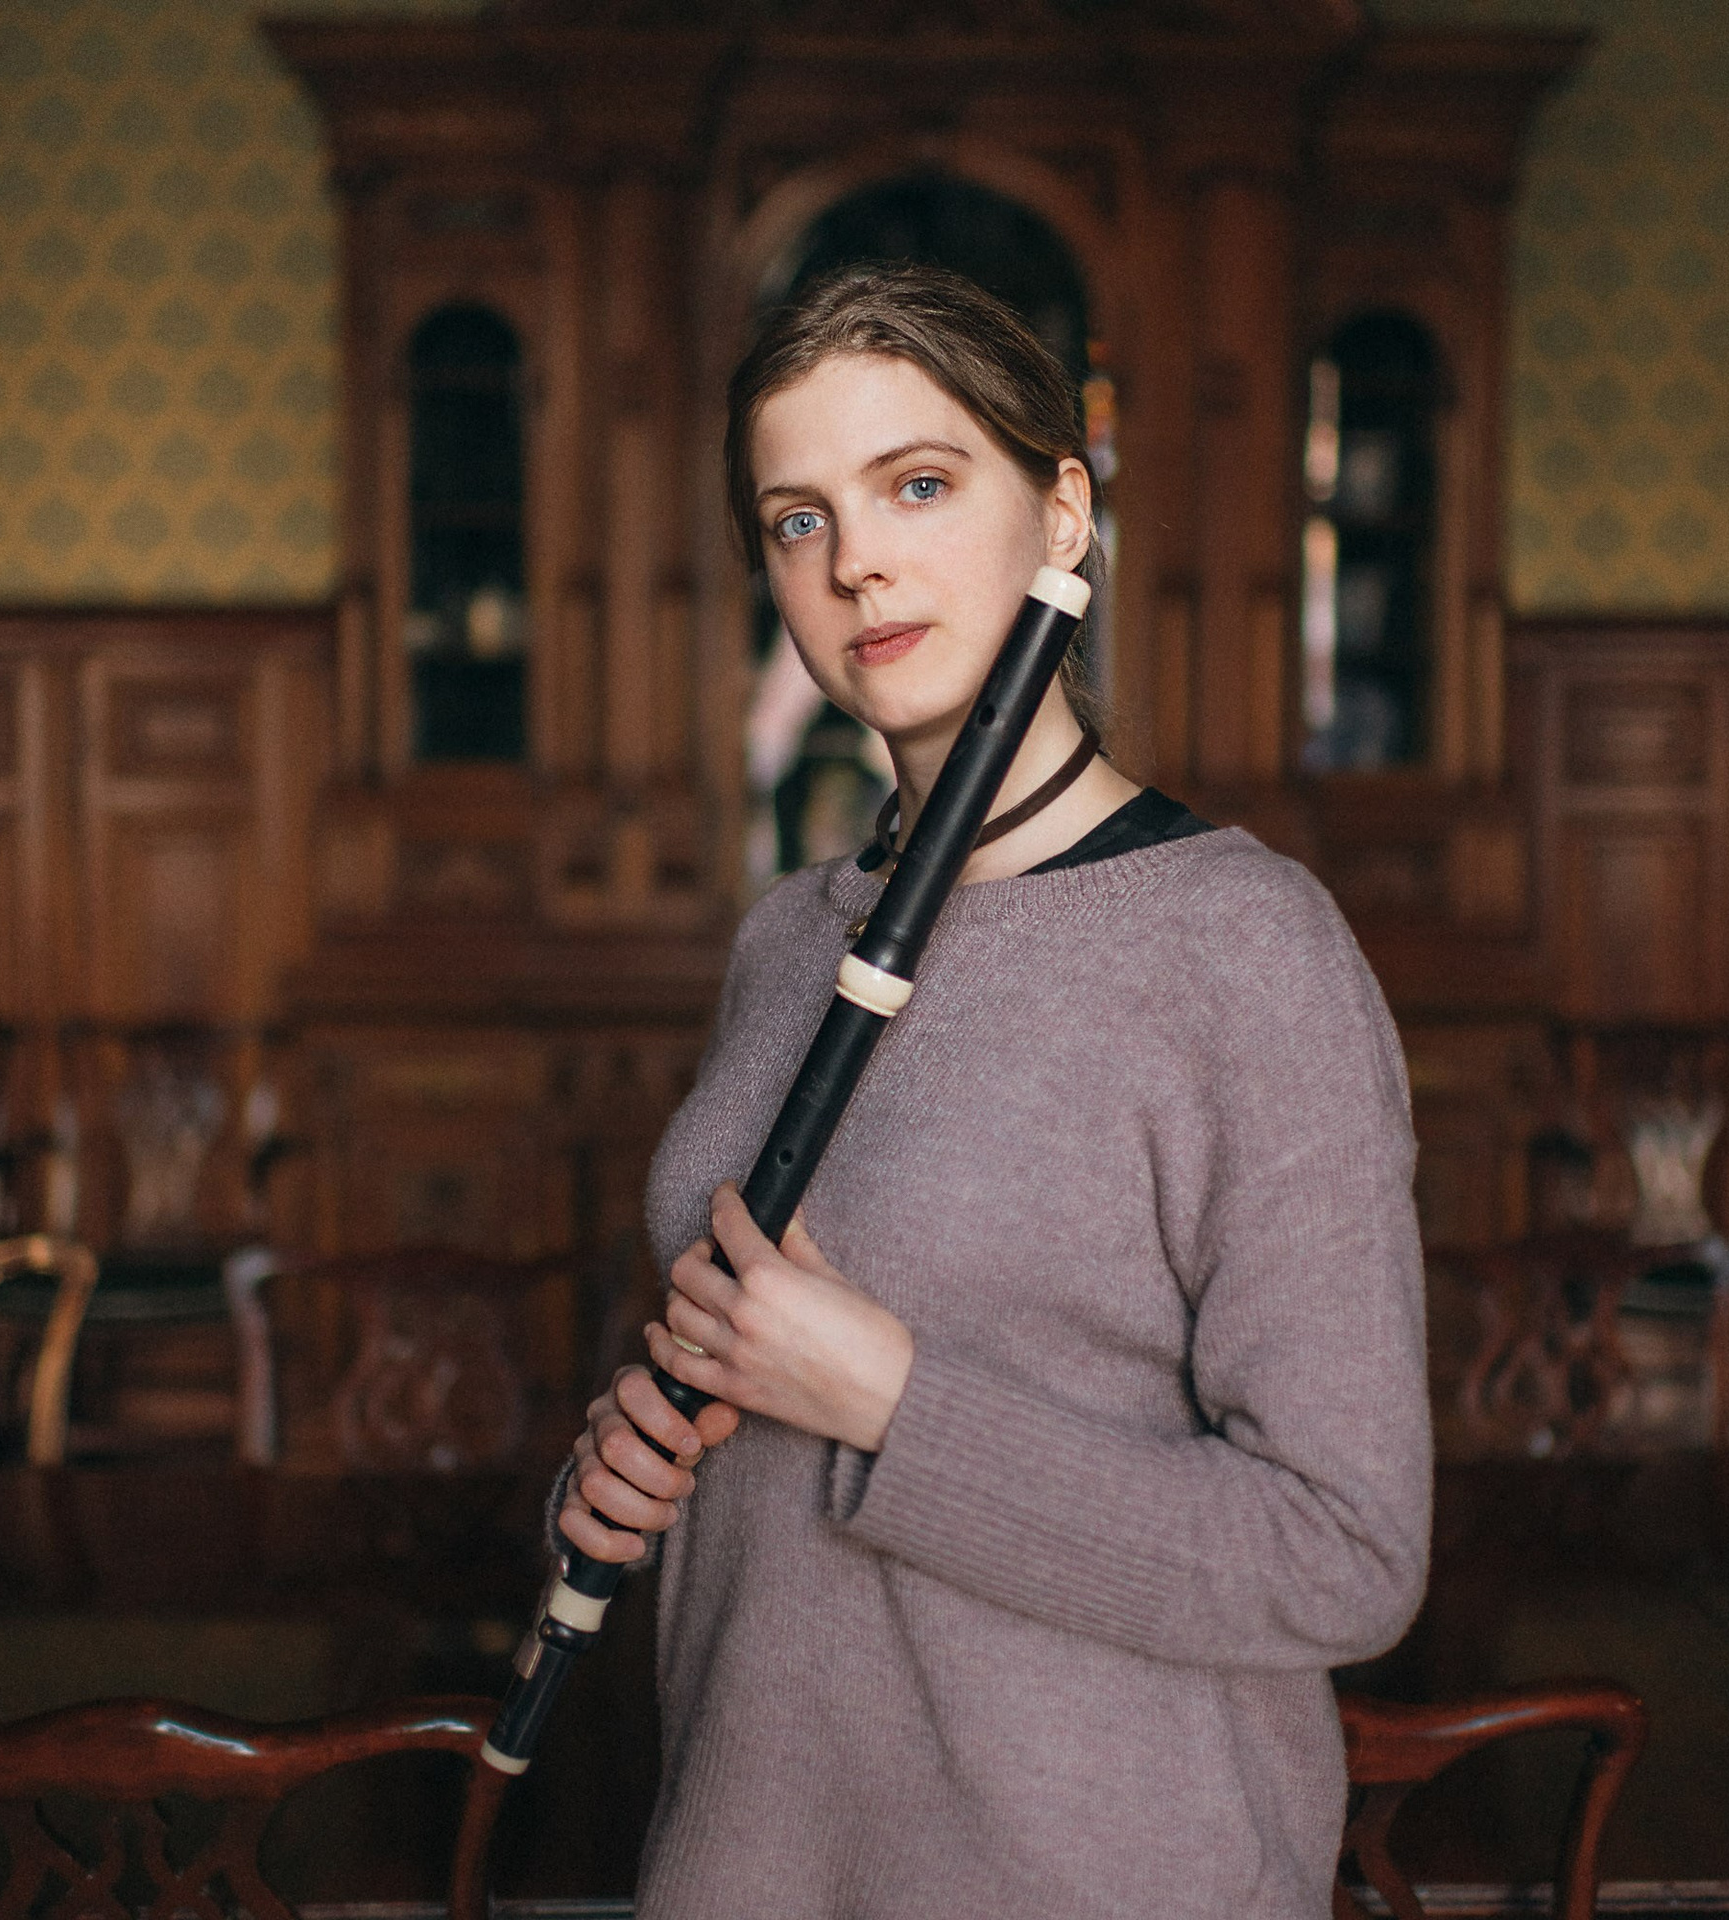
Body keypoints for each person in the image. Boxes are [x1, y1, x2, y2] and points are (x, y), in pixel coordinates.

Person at [557, 263, 1431, 1919]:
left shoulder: (1247, 949)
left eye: (919, 485)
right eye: (798, 519)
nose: (855, 560)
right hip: (745, 1867)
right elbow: (752, 1422)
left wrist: (890, 1401)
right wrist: (627, 1466)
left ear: (1063, 515)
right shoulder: (786, 938)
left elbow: (1344, 1556)